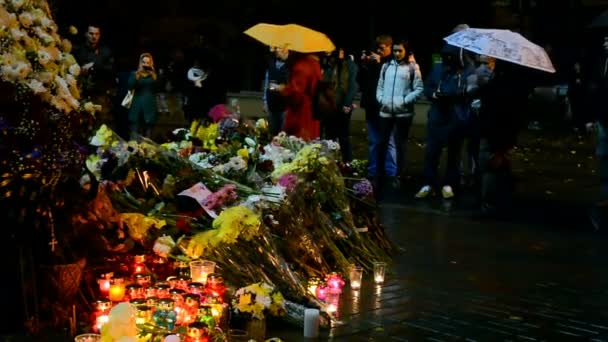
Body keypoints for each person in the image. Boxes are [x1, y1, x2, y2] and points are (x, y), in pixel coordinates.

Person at [375, 38, 423, 191]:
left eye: (400, 50)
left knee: (400, 144)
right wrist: (382, 99)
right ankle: (379, 175)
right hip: (386, 111)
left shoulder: (412, 67)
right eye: (395, 50)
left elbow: (418, 89)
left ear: (406, 50)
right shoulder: (386, 66)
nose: (396, 53)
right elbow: (380, 86)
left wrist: (403, 101)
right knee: (382, 143)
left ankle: (398, 175)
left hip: (403, 113)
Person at [358, 35, 397, 179]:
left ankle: (391, 172)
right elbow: (362, 82)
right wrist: (364, 65)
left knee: (389, 142)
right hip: (371, 106)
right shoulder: (373, 63)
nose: (379, 51)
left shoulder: (393, 62)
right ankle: (373, 170)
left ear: (389, 47)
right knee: (374, 141)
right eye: (377, 48)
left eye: (382, 48)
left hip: (385, 107)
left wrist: (380, 64)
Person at [321, 47, 358, 162]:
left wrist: (347, 103)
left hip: (342, 106)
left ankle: (347, 162)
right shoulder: (328, 64)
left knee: (343, 136)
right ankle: (330, 162)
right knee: (329, 136)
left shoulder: (350, 65)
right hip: (329, 106)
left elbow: (353, 86)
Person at [73, 24, 115, 126]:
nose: (94, 36)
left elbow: (111, 69)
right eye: (91, 33)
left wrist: (94, 66)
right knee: (80, 122)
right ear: (86, 34)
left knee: (101, 123)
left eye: (96, 34)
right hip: (80, 92)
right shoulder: (78, 50)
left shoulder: (105, 51)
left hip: (99, 93)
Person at [279, 52, 322, 141]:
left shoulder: (301, 67)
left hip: (301, 114)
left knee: (299, 145)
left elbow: (296, 95)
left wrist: (284, 89)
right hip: (313, 112)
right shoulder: (315, 64)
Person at [127, 53, 161, 139]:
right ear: (140, 63)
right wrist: (137, 76)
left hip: (150, 106)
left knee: (148, 135)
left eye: (147, 62)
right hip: (136, 106)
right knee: (135, 133)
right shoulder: (134, 74)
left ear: (151, 63)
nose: (145, 64)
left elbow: (158, 89)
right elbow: (130, 86)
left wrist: (154, 75)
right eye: (143, 62)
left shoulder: (154, 76)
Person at [263, 46, 289, 136]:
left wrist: (280, 87)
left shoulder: (290, 66)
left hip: (284, 107)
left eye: (280, 48)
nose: (277, 50)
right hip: (271, 105)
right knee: (272, 134)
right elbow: (266, 83)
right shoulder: (271, 64)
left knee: (282, 135)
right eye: (277, 48)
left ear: (287, 50)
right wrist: (265, 102)